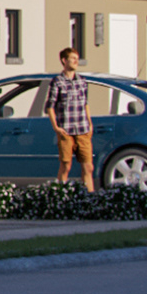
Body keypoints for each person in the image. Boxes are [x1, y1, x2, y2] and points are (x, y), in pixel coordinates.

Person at [45, 45, 96, 189]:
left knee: (88, 167)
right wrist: (56, 127)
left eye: (77, 59)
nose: (76, 61)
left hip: (83, 129)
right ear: (64, 60)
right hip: (66, 130)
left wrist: (90, 124)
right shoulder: (57, 81)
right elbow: (50, 106)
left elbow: (85, 103)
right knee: (66, 165)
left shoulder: (82, 81)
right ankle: (61, 194)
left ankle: (90, 196)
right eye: (73, 58)